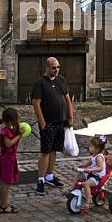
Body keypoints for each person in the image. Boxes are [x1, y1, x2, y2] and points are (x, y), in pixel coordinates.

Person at [32, 57, 74, 195]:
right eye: (53, 68)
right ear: (47, 68)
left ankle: (50, 176)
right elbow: (36, 104)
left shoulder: (61, 80)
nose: (56, 70)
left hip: (60, 121)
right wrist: (42, 123)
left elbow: (68, 99)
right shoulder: (40, 83)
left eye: (58, 67)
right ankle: (40, 180)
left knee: (54, 150)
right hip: (48, 123)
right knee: (45, 152)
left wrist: (70, 117)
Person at [0, 107, 24, 213]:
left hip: (10, 159)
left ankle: (5, 202)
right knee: (5, 183)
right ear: (11, 121)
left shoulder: (9, 130)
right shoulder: (5, 131)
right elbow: (8, 144)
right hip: (7, 159)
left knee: (7, 183)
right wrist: (19, 135)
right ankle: (3, 205)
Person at [73, 136, 107, 214]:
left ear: (97, 149)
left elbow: (100, 168)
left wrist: (90, 170)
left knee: (86, 184)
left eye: (91, 146)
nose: (89, 147)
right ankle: (72, 189)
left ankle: (88, 202)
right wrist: (79, 166)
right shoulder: (94, 156)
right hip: (92, 174)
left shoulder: (99, 157)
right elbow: (87, 163)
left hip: (97, 177)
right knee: (80, 176)